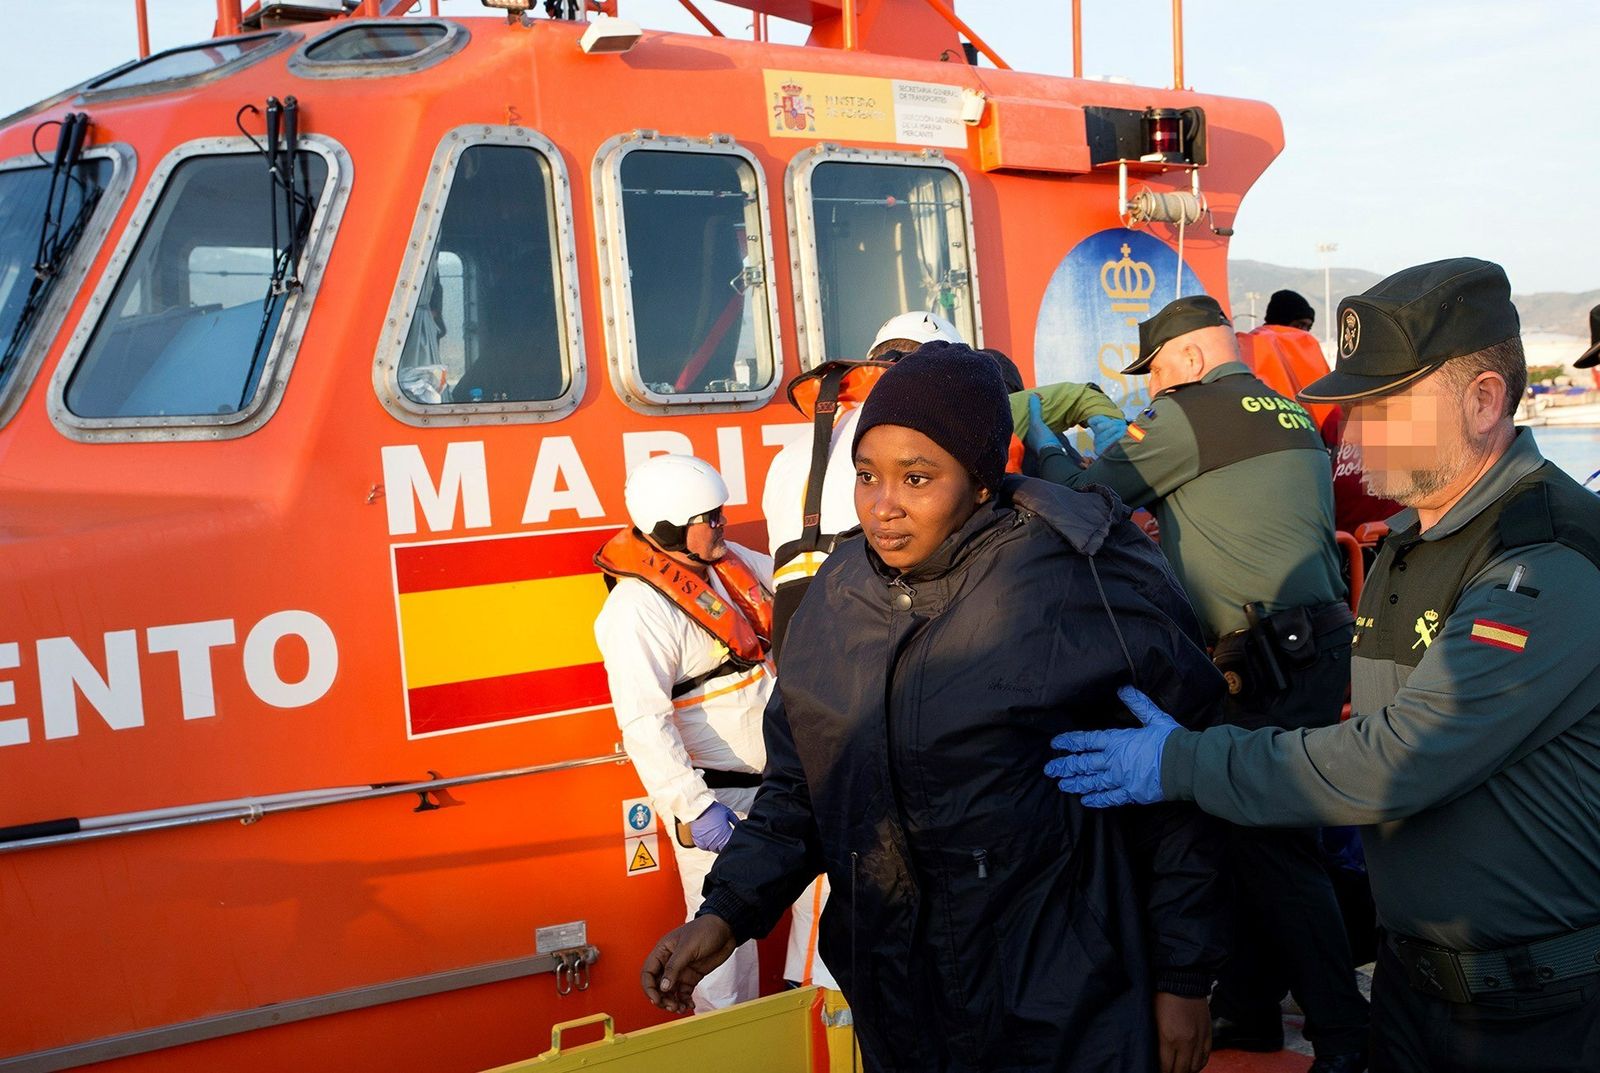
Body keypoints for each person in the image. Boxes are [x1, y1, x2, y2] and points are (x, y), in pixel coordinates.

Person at [1047, 258, 1600, 1073]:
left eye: (1383, 405)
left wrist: (1180, 761)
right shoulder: (1412, 544)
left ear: (1483, 400)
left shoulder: (1543, 556)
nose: (1355, 429)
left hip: (1529, 1018)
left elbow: (1394, 758)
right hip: (1416, 992)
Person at [645, 342, 1230, 1073]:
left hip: (1064, 1004)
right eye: (866, 476)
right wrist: (726, 913)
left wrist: (1183, 977)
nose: (883, 506)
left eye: (917, 478)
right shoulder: (837, 598)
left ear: (981, 482)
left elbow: (1179, 796)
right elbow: (802, 789)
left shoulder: (1076, 585)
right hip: (903, 1006)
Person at [1029, 294, 1371, 1072]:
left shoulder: (1187, 417)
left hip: (1260, 662)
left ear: (1184, 359)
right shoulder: (1284, 409)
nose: (1152, 393)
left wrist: (1041, 440)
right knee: (1242, 832)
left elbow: (1090, 498)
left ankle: (1345, 1034)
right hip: (1317, 648)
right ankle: (1249, 1008)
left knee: (1273, 843)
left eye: (1154, 376)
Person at [592, 453, 775, 1013]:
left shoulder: (730, 564)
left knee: (826, 914)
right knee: (719, 954)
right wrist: (695, 809)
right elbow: (644, 723)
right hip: (720, 800)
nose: (722, 525)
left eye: (719, 513)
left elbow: (795, 582)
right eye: (709, 518)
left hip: (784, 785)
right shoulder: (635, 613)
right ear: (671, 528)